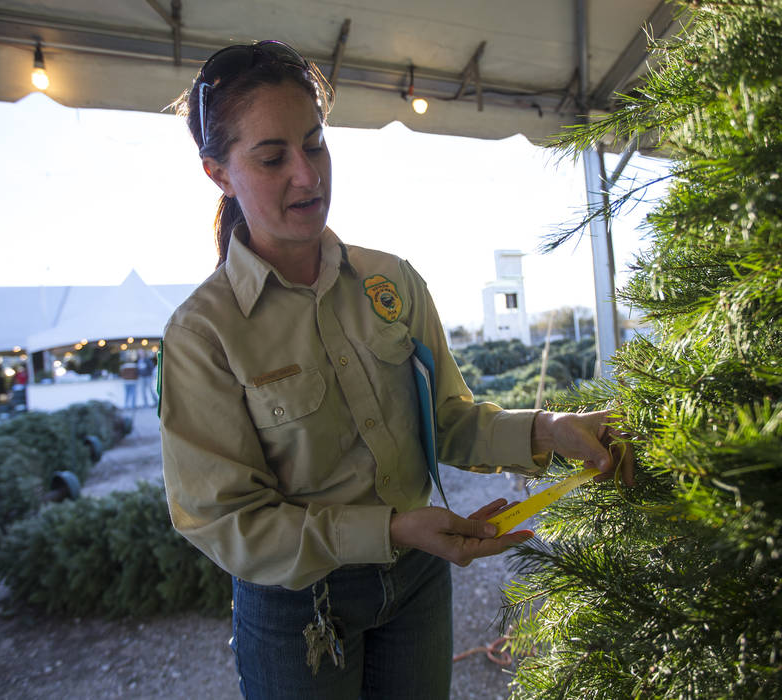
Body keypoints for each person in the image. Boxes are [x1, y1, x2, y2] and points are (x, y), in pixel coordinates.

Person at [159, 40, 635, 700]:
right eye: (273, 157)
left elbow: (446, 422)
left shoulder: (392, 281)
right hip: (301, 608)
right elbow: (224, 522)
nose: (307, 174)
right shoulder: (202, 333)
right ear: (217, 172)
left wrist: (550, 430)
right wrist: (385, 528)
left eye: (316, 144)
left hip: (417, 582)